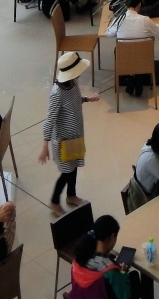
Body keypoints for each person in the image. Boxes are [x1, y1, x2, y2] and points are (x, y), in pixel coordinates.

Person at [38, 52, 99, 214]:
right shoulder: (57, 93)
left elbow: (75, 99)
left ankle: (71, 195)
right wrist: (44, 146)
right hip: (63, 141)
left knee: (74, 167)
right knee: (67, 172)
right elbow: (49, 120)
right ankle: (54, 200)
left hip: (76, 135)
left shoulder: (73, 82)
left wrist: (87, 99)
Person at [70, 216, 143, 299]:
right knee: (134, 276)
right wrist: (122, 272)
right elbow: (124, 296)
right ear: (112, 236)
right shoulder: (110, 271)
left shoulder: (79, 257)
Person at [109, 0, 159, 97]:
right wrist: (156, 26)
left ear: (125, 4)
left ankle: (128, 77)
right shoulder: (145, 20)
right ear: (139, 4)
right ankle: (139, 78)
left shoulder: (119, 19)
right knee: (142, 50)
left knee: (118, 50)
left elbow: (109, 33)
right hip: (143, 59)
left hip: (125, 59)